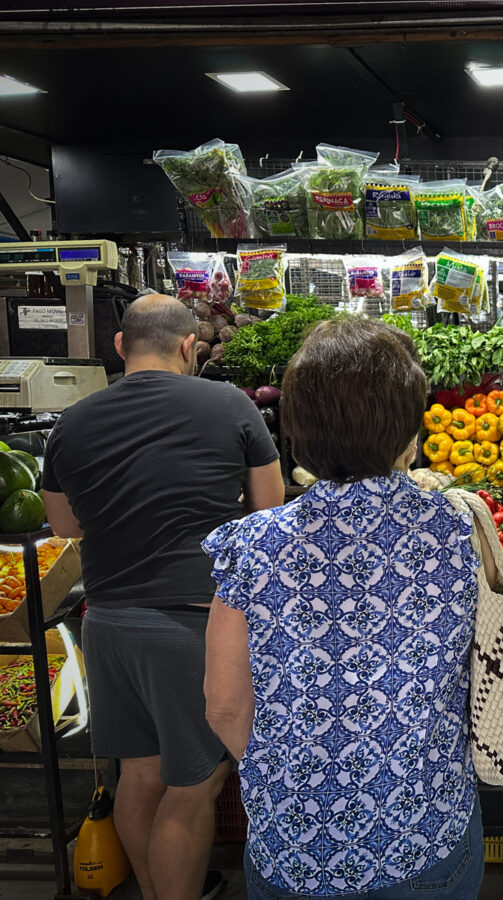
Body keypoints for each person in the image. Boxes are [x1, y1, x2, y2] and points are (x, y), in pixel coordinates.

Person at [203, 317, 487, 899]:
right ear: (410, 431)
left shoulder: (251, 546)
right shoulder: (459, 527)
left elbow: (225, 708)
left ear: (298, 431)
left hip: (295, 851)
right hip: (427, 835)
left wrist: (291, 775)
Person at [42, 294, 285, 900]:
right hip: (192, 626)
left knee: (140, 775)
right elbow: (271, 512)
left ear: (121, 347)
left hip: (108, 624)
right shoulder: (230, 404)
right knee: (194, 785)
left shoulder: (70, 423)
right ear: (188, 347)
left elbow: (65, 527)